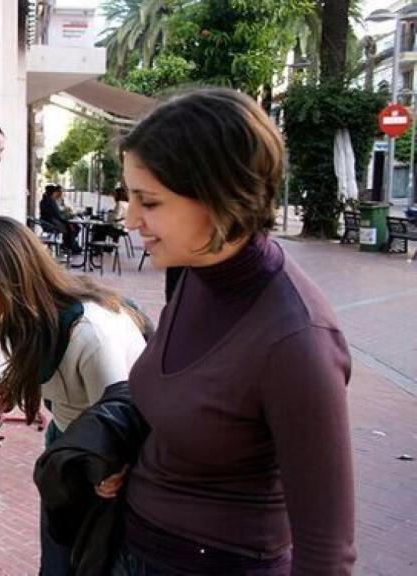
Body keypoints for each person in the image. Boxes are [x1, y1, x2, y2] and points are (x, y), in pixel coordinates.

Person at [100, 87, 356, 575]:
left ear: (221, 198)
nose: (131, 219)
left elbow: (327, 555)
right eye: (129, 197)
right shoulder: (194, 270)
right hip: (134, 546)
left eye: (149, 202)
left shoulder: (297, 339)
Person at [0, 216, 149, 575]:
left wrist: (112, 471)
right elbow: (52, 372)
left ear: (11, 283)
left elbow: (124, 420)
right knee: (58, 560)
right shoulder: (24, 319)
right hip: (69, 447)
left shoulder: (90, 334)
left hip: (109, 464)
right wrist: (12, 388)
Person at [39, 184, 80, 253]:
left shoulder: (44, 201)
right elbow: (58, 215)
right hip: (51, 224)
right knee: (71, 228)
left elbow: (57, 214)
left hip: (47, 223)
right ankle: (70, 247)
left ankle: (69, 246)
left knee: (73, 227)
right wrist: (68, 221)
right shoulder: (51, 202)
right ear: (53, 192)